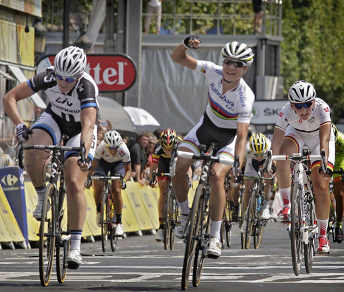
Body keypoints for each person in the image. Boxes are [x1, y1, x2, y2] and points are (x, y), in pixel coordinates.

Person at [3, 46, 98, 269]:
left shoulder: (86, 86)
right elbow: (10, 97)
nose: (63, 83)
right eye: (60, 77)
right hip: (54, 117)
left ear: (79, 75)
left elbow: (88, 124)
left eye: (69, 79)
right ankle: (42, 193)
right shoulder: (48, 76)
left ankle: (75, 246)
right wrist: (19, 125)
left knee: (74, 182)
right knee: (32, 148)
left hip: (80, 129)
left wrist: (83, 150)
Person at [171, 36, 255, 258]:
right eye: (228, 61)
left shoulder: (246, 96)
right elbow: (177, 57)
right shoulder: (212, 71)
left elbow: (241, 134)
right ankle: (185, 214)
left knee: (217, 177)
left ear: (245, 69)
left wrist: (237, 161)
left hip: (229, 137)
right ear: (223, 62)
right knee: (179, 166)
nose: (231, 67)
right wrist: (186, 44)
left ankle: (215, 238)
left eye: (238, 64)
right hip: (205, 127)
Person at [271, 80, 334, 253]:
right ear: (292, 105)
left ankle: (322, 236)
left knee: (321, 185)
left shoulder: (323, 108)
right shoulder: (285, 111)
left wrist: (324, 163)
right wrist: (272, 161)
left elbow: (325, 140)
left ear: (314, 101)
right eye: (298, 106)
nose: (304, 109)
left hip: (319, 139)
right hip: (297, 134)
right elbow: (276, 139)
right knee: (283, 155)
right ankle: (286, 204)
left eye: (307, 104)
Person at [87, 130, 131, 237]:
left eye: (116, 148)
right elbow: (92, 167)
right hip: (102, 163)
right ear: (105, 145)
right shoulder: (100, 148)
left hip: (118, 164)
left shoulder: (124, 150)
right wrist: (88, 178)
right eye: (111, 148)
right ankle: (99, 211)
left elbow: (129, 170)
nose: (114, 151)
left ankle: (119, 223)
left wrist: (124, 181)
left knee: (116, 190)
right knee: (98, 187)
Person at [149, 128, 181, 242]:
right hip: (163, 162)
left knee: (180, 188)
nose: (168, 150)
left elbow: (188, 167)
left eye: (170, 148)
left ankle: (181, 216)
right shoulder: (158, 147)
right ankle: (161, 227)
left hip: (177, 161)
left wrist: (188, 177)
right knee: (163, 192)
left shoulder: (181, 145)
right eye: (165, 148)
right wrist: (152, 178)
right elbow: (153, 167)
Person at [241, 133, 274, 233]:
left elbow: (274, 162)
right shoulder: (247, 149)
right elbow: (242, 164)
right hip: (251, 162)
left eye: (261, 154)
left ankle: (266, 208)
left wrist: (272, 169)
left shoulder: (269, 146)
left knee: (268, 178)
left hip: (267, 161)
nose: (259, 156)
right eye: (256, 154)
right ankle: (246, 218)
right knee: (247, 189)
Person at [331, 124, 344, 243]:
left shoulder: (342, 139)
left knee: (339, 195)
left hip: (339, 161)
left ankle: (338, 226)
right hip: (324, 160)